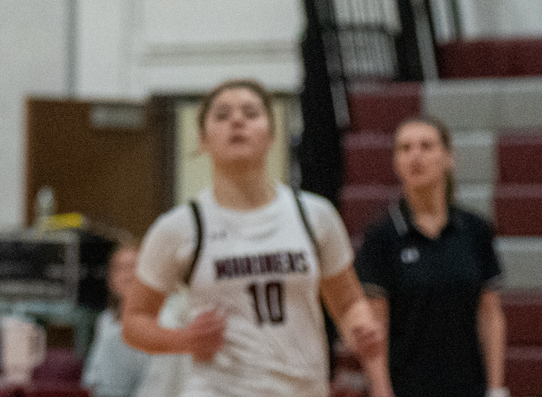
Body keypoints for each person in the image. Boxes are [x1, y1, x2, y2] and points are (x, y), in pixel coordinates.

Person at [122, 79, 393, 397]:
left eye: (250, 113)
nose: (237, 121)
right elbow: (134, 322)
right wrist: (184, 340)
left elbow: (347, 302)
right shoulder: (180, 227)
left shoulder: (314, 215)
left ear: (272, 135)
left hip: (303, 388)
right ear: (203, 140)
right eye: (222, 115)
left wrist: (360, 330)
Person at [354, 116, 507, 397]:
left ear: (449, 158)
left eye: (426, 146)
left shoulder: (475, 230)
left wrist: (496, 388)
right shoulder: (380, 237)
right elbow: (376, 327)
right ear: (395, 163)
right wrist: (381, 390)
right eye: (405, 148)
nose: (415, 155)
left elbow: (490, 313)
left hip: (469, 388)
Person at [83, 244, 150, 397]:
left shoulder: (161, 322)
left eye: (132, 267)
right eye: (119, 268)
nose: (127, 275)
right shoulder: (105, 321)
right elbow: (92, 378)